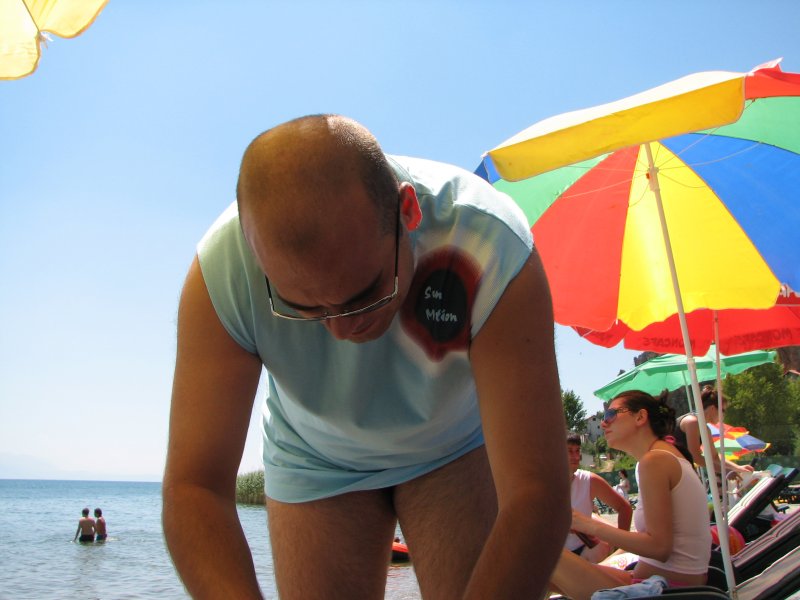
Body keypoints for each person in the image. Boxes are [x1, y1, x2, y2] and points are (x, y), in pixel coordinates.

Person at [162, 114, 569, 599]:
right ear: (255, 255)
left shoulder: (489, 240)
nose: (340, 330)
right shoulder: (220, 271)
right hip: (314, 455)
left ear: (407, 211)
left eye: (364, 295)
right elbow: (195, 488)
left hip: (454, 445)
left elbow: (536, 492)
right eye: (302, 306)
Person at [548, 391, 712, 600]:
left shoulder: (655, 461)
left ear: (640, 417)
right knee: (543, 576)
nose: (604, 423)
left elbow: (659, 548)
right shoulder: (662, 456)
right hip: (659, 583)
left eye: (611, 415)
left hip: (663, 591)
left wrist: (587, 524)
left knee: (539, 554)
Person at [565, 433, 632, 563]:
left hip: (585, 550)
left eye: (577, 451)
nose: (576, 457)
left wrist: (620, 548)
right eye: (569, 451)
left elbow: (625, 508)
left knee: (602, 548)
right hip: (556, 556)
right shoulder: (543, 484)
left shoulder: (589, 480)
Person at [674, 385, 755, 480]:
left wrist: (737, 468)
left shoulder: (705, 428)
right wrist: (726, 471)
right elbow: (695, 457)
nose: (724, 415)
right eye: (723, 410)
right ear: (712, 408)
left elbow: (714, 457)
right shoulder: (692, 422)